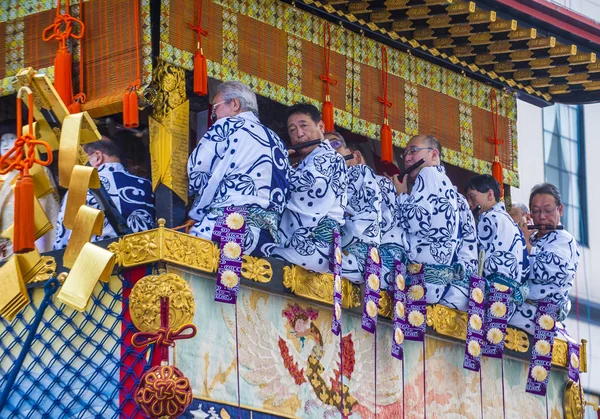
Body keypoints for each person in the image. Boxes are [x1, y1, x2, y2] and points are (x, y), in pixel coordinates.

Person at [187, 81, 290, 256]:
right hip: (268, 238)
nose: (215, 117)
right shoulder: (277, 140)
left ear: (234, 104)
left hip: (230, 226)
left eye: (215, 110)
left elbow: (196, 174)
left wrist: (195, 212)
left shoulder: (227, 125)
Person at [270, 104, 348, 273]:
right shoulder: (305, 163)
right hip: (303, 243)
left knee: (261, 254)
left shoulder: (329, 157)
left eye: (303, 126)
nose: (299, 134)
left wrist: (277, 162)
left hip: (315, 246)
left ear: (320, 126)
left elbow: (306, 188)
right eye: (292, 130)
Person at [389, 134, 459, 303]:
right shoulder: (447, 182)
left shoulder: (427, 173)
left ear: (434, 155)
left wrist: (401, 195)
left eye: (413, 151)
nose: (407, 158)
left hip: (420, 277)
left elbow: (417, 221)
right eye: (404, 154)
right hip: (437, 280)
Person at [54, 137, 155, 249]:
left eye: (85, 160)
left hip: (97, 261)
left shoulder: (80, 188)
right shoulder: (147, 185)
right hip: (142, 259)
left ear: (98, 157)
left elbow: (63, 237)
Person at [447, 175, 527, 314]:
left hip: (491, 295)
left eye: (472, 197)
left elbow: (475, 257)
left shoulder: (489, 218)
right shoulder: (509, 222)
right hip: (510, 300)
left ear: (490, 195)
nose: (470, 204)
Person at [509, 183, 580, 334]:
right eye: (536, 211)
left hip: (539, 317)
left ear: (559, 210)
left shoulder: (565, 240)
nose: (541, 216)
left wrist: (526, 245)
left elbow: (549, 271)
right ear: (530, 214)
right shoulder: (532, 237)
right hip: (517, 309)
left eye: (547, 211)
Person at [0, 120, 60, 259]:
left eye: (11, 138)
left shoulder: (36, 171)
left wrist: (43, 247)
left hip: (27, 240)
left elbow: (48, 209)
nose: (5, 144)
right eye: (2, 140)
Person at [326, 132, 381, 284]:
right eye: (323, 146)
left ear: (352, 155)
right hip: (338, 252)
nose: (329, 149)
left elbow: (365, 220)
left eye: (335, 144)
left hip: (355, 257)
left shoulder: (360, 172)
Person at [438, 189, 478, 311]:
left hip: (448, 291)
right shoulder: (461, 202)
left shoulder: (444, 196)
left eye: (472, 197)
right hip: (467, 295)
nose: (471, 204)